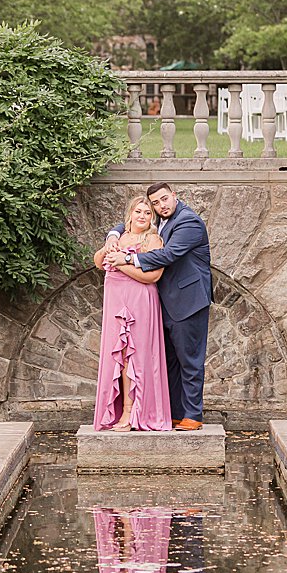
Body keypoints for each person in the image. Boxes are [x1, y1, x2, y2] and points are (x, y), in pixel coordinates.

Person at [94, 182, 211, 430]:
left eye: (164, 200)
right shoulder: (161, 218)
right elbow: (133, 219)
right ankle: (176, 412)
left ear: (174, 196)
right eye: (155, 203)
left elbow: (168, 256)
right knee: (170, 361)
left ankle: (193, 415)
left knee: (189, 359)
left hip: (188, 300)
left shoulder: (189, 222)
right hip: (165, 301)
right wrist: (113, 235)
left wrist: (126, 258)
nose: (160, 206)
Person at [94, 196, 172, 432]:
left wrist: (121, 264)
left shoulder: (153, 240)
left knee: (133, 357)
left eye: (147, 213)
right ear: (130, 214)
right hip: (115, 302)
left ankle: (132, 412)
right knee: (117, 355)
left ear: (152, 218)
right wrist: (108, 246)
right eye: (138, 211)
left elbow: (153, 277)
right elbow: (99, 262)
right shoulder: (119, 237)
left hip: (140, 300)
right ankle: (116, 411)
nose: (142, 216)